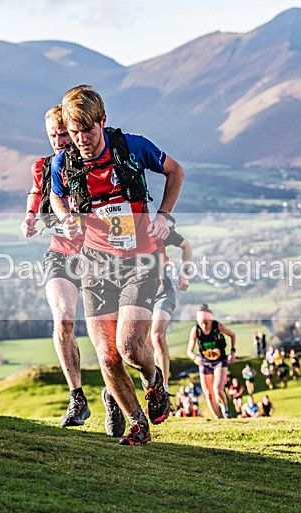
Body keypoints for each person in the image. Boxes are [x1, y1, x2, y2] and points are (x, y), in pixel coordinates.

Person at [49, 85, 184, 446]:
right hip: (95, 266)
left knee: (129, 347)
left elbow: (175, 171)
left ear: (103, 121)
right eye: (74, 132)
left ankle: (154, 381)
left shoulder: (132, 148)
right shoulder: (65, 162)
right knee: (108, 357)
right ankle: (138, 424)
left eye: (88, 131)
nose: (81, 140)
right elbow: (56, 196)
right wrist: (65, 218)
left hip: (140, 260)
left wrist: (164, 215)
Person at [20, 105, 96, 430]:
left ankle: (114, 392)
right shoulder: (44, 165)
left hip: (97, 256)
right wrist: (29, 216)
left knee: (105, 331)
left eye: (63, 134)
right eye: (53, 135)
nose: (58, 141)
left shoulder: (94, 162)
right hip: (60, 254)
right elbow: (36, 192)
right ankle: (77, 397)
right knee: (63, 318)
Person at [148, 226, 193, 393]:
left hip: (162, 292)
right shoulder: (125, 230)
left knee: (158, 336)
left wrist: (185, 275)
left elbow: (186, 245)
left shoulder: (156, 229)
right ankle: (154, 387)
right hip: (137, 297)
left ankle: (164, 388)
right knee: (147, 348)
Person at [186, 303, 237, 419]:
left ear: (210, 320)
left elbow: (232, 335)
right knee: (208, 393)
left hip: (220, 361)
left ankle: (225, 410)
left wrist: (232, 352)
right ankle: (218, 418)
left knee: (217, 389)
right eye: (201, 323)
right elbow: (189, 351)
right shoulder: (196, 330)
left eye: (206, 323)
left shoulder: (218, 326)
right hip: (205, 363)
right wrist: (195, 357)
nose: (204, 326)